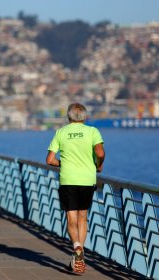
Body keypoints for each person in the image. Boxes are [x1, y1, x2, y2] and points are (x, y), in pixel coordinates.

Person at [46, 103, 105, 273]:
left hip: (68, 179)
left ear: (69, 117)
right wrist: (99, 165)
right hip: (87, 179)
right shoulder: (93, 132)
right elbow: (100, 153)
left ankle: (76, 247)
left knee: (71, 218)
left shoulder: (61, 132)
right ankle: (80, 252)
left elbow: (50, 160)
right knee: (82, 217)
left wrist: (63, 163)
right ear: (85, 117)